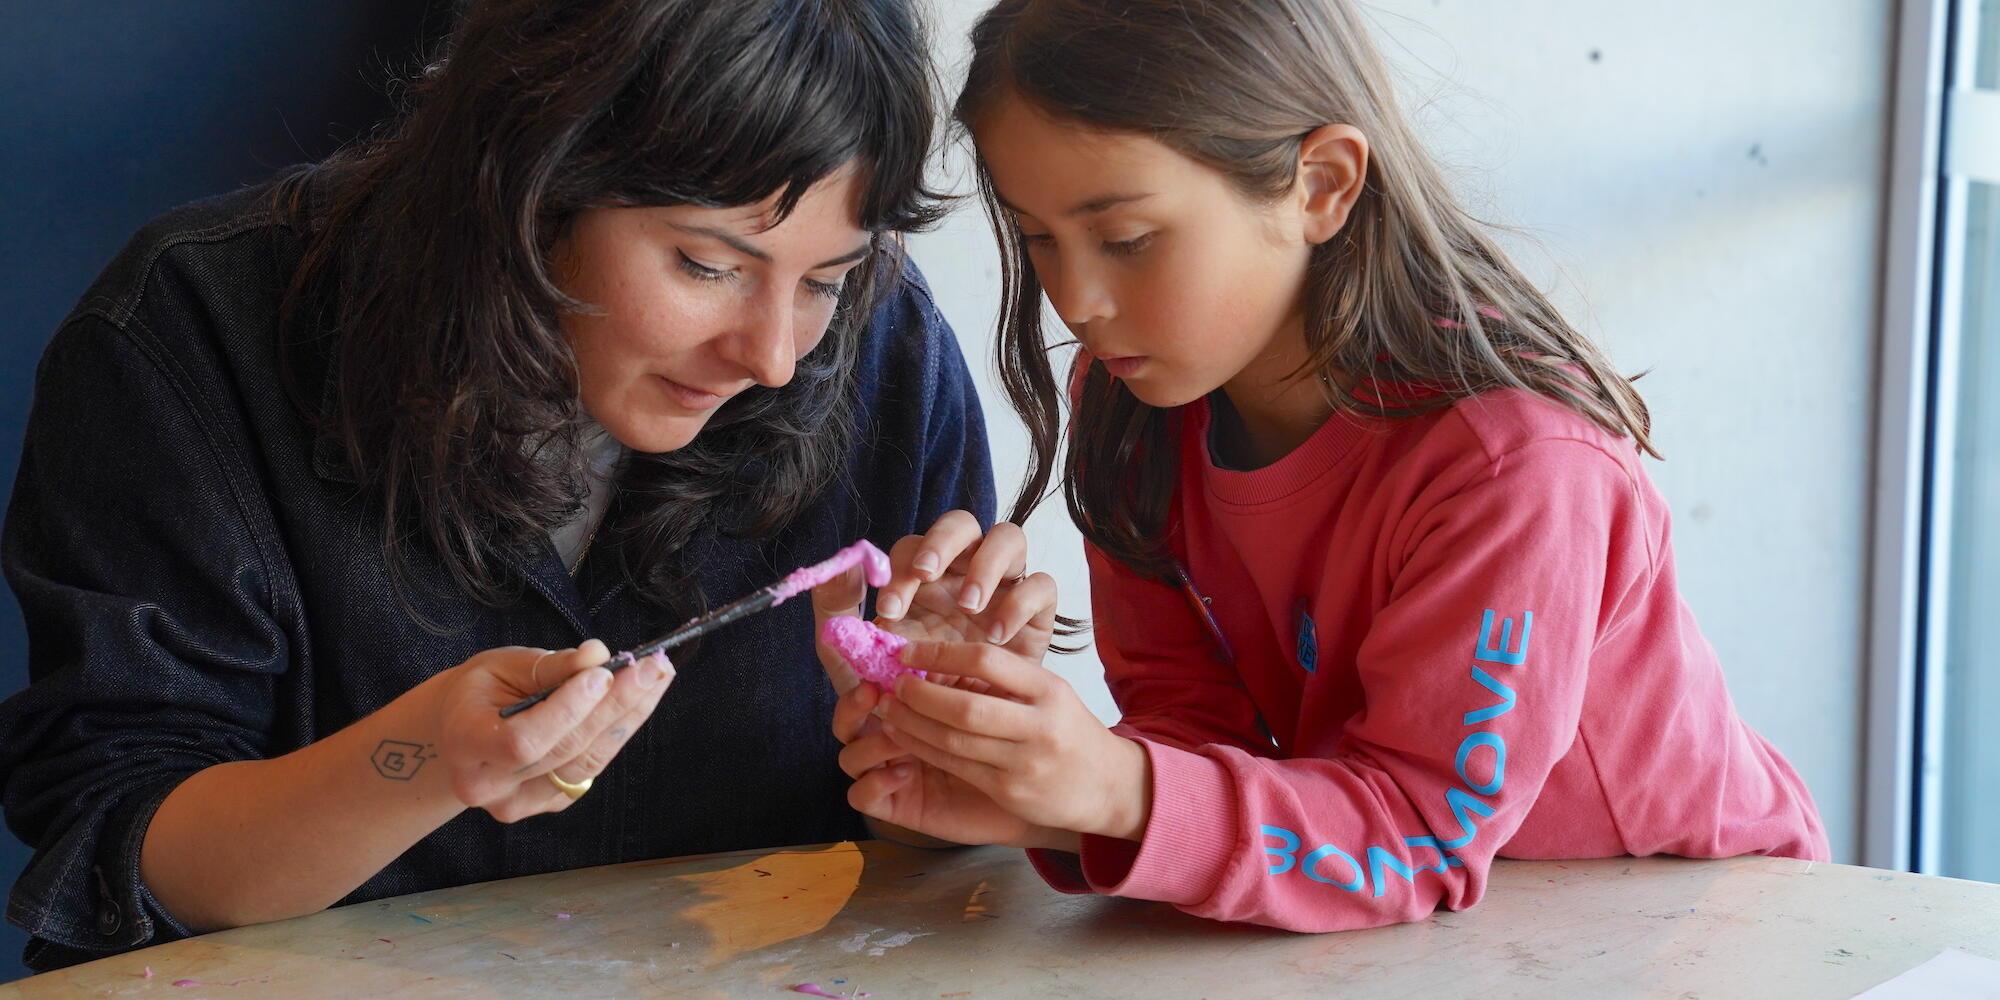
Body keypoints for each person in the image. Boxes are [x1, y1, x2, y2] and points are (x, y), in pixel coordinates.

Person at [0, 0, 994, 971]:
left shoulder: (885, 355)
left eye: (824, 280)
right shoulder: (192, 336)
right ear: (532, 182)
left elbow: (920, 871)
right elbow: (132, 845)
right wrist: (425, 761)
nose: (773, 354)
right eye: (705, 264)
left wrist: (954, 737)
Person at [831, 0, 1829, 933]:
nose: (1078, 298)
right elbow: (1195, 737)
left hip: (1696, 920)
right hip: (1425, 932)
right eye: (1040, 239)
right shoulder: (1133, 405)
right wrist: (1018, 778)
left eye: (1126, 238)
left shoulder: (1513, 467)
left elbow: (1415, 834)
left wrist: (1113, 789)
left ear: (1320, 185)